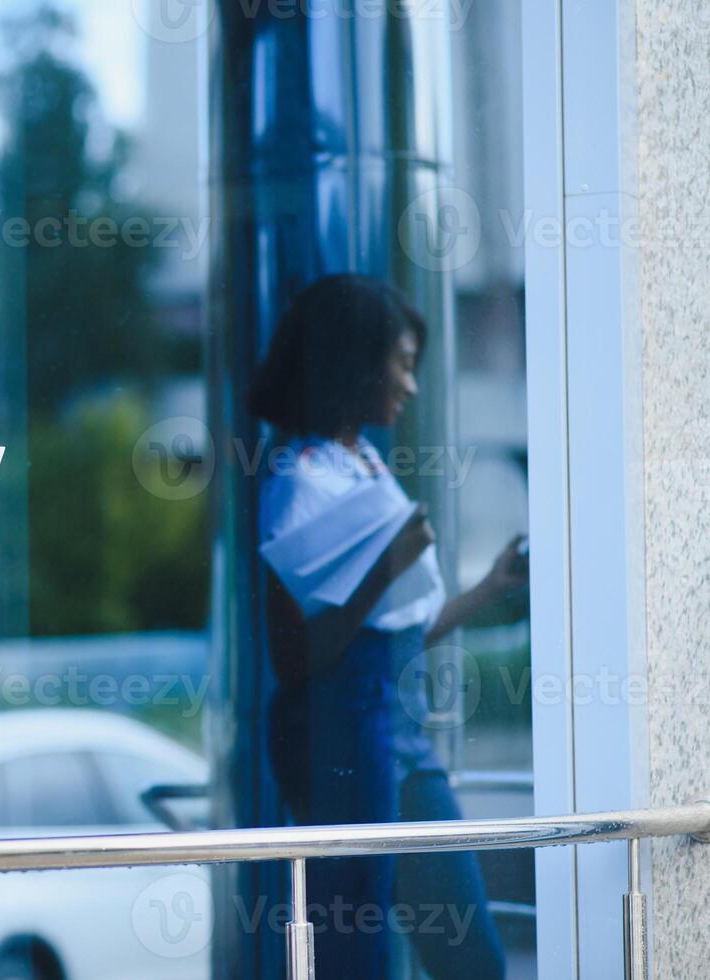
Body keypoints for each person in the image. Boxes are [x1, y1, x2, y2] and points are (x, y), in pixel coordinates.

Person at [249, 274, 527, 980]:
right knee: (357, 953)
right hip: (351, 741)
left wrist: (492, 587)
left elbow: (401, 632)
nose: (409, 384)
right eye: (401, 363)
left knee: (469, 955)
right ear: (354, 363)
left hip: (396, 734)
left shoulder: (361, 460)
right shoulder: (296, 480)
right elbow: (296, 659)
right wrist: (386, 563)